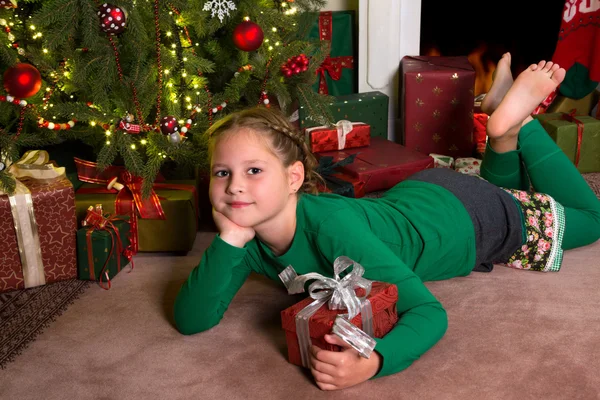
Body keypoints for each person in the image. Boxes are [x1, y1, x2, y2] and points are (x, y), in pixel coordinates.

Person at [174, 55, 600, 391]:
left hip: (468, 222)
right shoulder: (247, 234)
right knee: (504, 189)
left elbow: (429, 312)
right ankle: (500, 129)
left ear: (293, 179)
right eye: (222, 173)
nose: (233, 188)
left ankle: (515, 124)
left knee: (588, 220)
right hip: (424, 193)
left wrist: (374, 361)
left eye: (253, 171)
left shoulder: (332, 229)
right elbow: (192, 319)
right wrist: (228, 239)